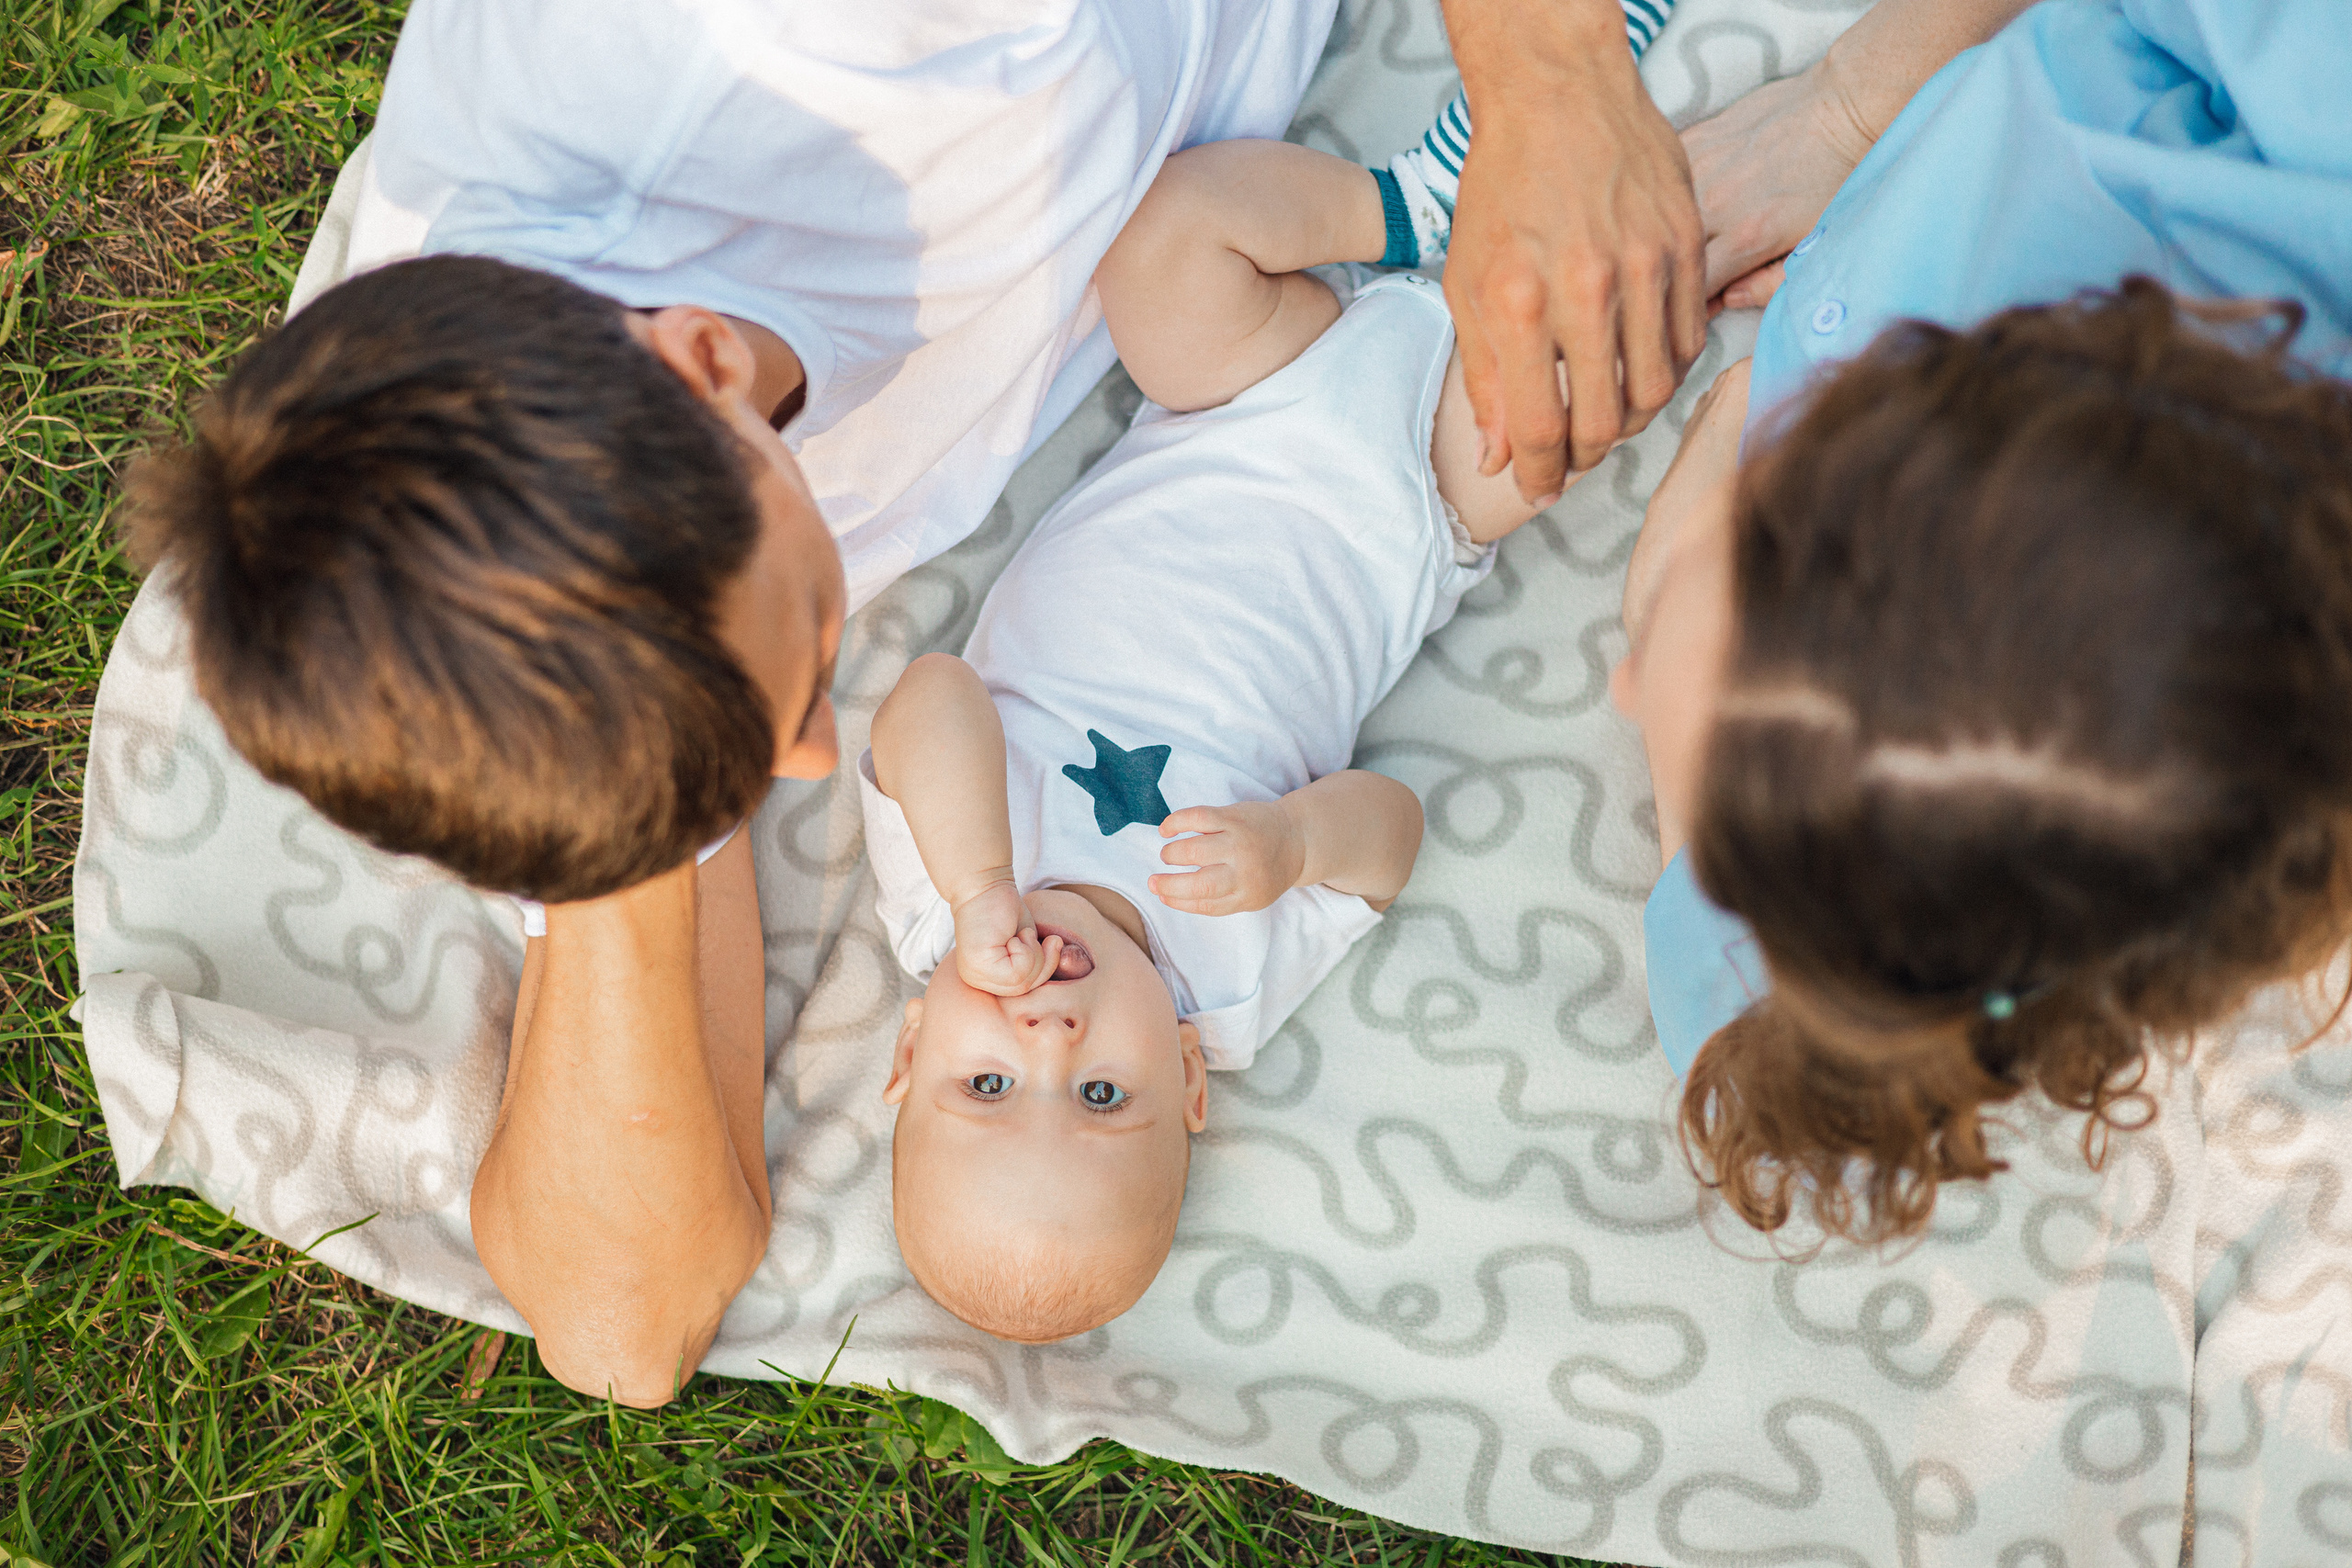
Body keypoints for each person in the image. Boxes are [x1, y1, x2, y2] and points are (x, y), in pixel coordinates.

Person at [121, 0, 1695, 1404]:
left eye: (802, 661)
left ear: (703, 364)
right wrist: (650, 808)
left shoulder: (827, 48)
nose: (819, 750)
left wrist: (1547, 80)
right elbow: (620, 1324)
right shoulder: (514, 601)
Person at [1614, 0, 2352, 1243]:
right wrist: (1855, 99)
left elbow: (1758, 1017)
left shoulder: (2016, 844)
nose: (1623, 692)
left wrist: (1695, 510)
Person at [860, 134, 1566, 1339]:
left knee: (1170, 238)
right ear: (1187, 1079)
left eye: (986, 1083)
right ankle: (1579, 237)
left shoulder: (941, 899)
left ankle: (1405, 208)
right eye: (1100, 1092)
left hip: (1236, 396)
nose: (1048, 1033)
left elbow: (931, 694)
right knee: (1564, 414)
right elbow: (1390, 841)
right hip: (1415, 509)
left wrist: (983, 885)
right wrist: (1295, 844)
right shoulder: (1228, 993)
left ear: (911, 1047)